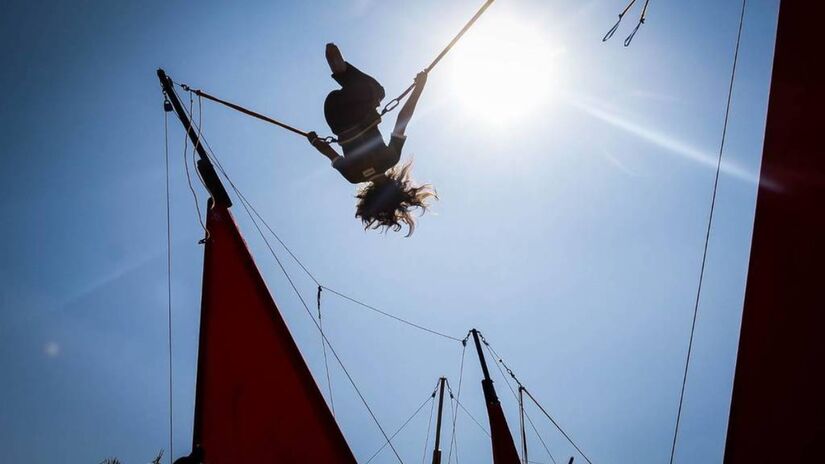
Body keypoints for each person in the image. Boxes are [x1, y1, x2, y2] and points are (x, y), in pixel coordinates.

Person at [307, 43, 436, 236]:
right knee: (366, 101)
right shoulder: (353, 176)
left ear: (396, 185)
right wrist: (314, 141)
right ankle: (342, 72)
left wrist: (419, 88)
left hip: (356, 107)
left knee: (378, 92)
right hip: (333, 113)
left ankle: (342, 71)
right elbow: (329, 152)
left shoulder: (390, 158)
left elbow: (403, 119)